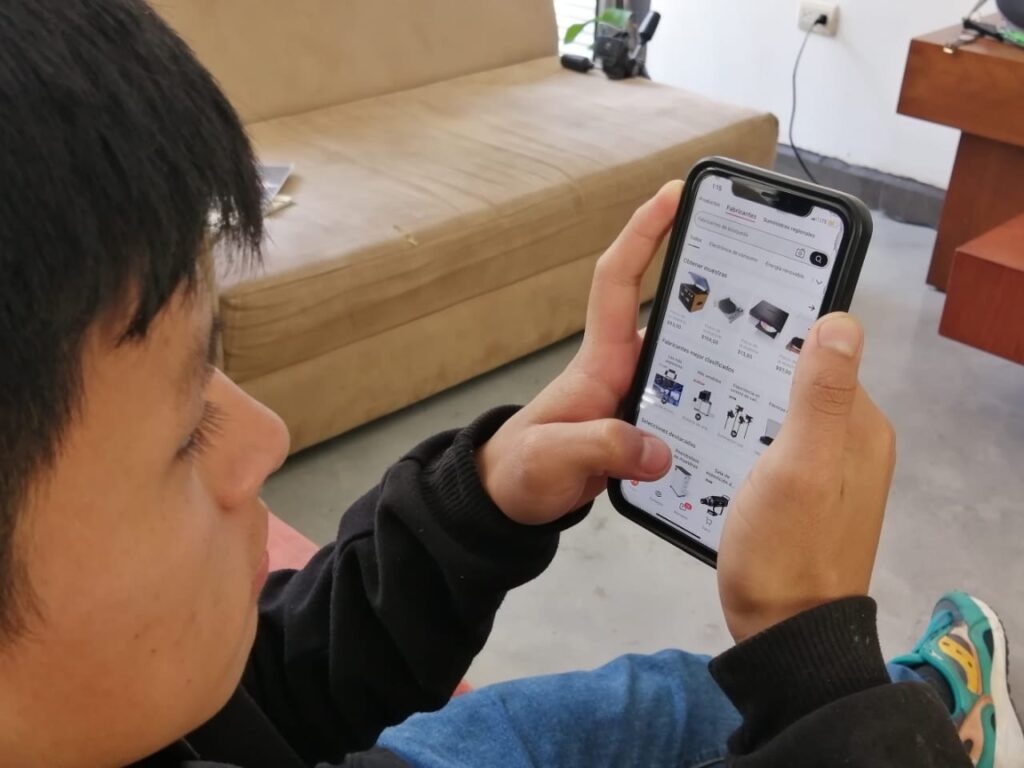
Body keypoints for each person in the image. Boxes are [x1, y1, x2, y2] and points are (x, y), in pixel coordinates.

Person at [0, 1, 1019, 767]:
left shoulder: (122, 700)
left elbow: (271, 689)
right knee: (741, 701)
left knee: (676, 694)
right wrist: (821, 675)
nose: (266, 435)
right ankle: (923, 716)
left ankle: (913, 699)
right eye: (187, 427)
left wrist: (478, 500)